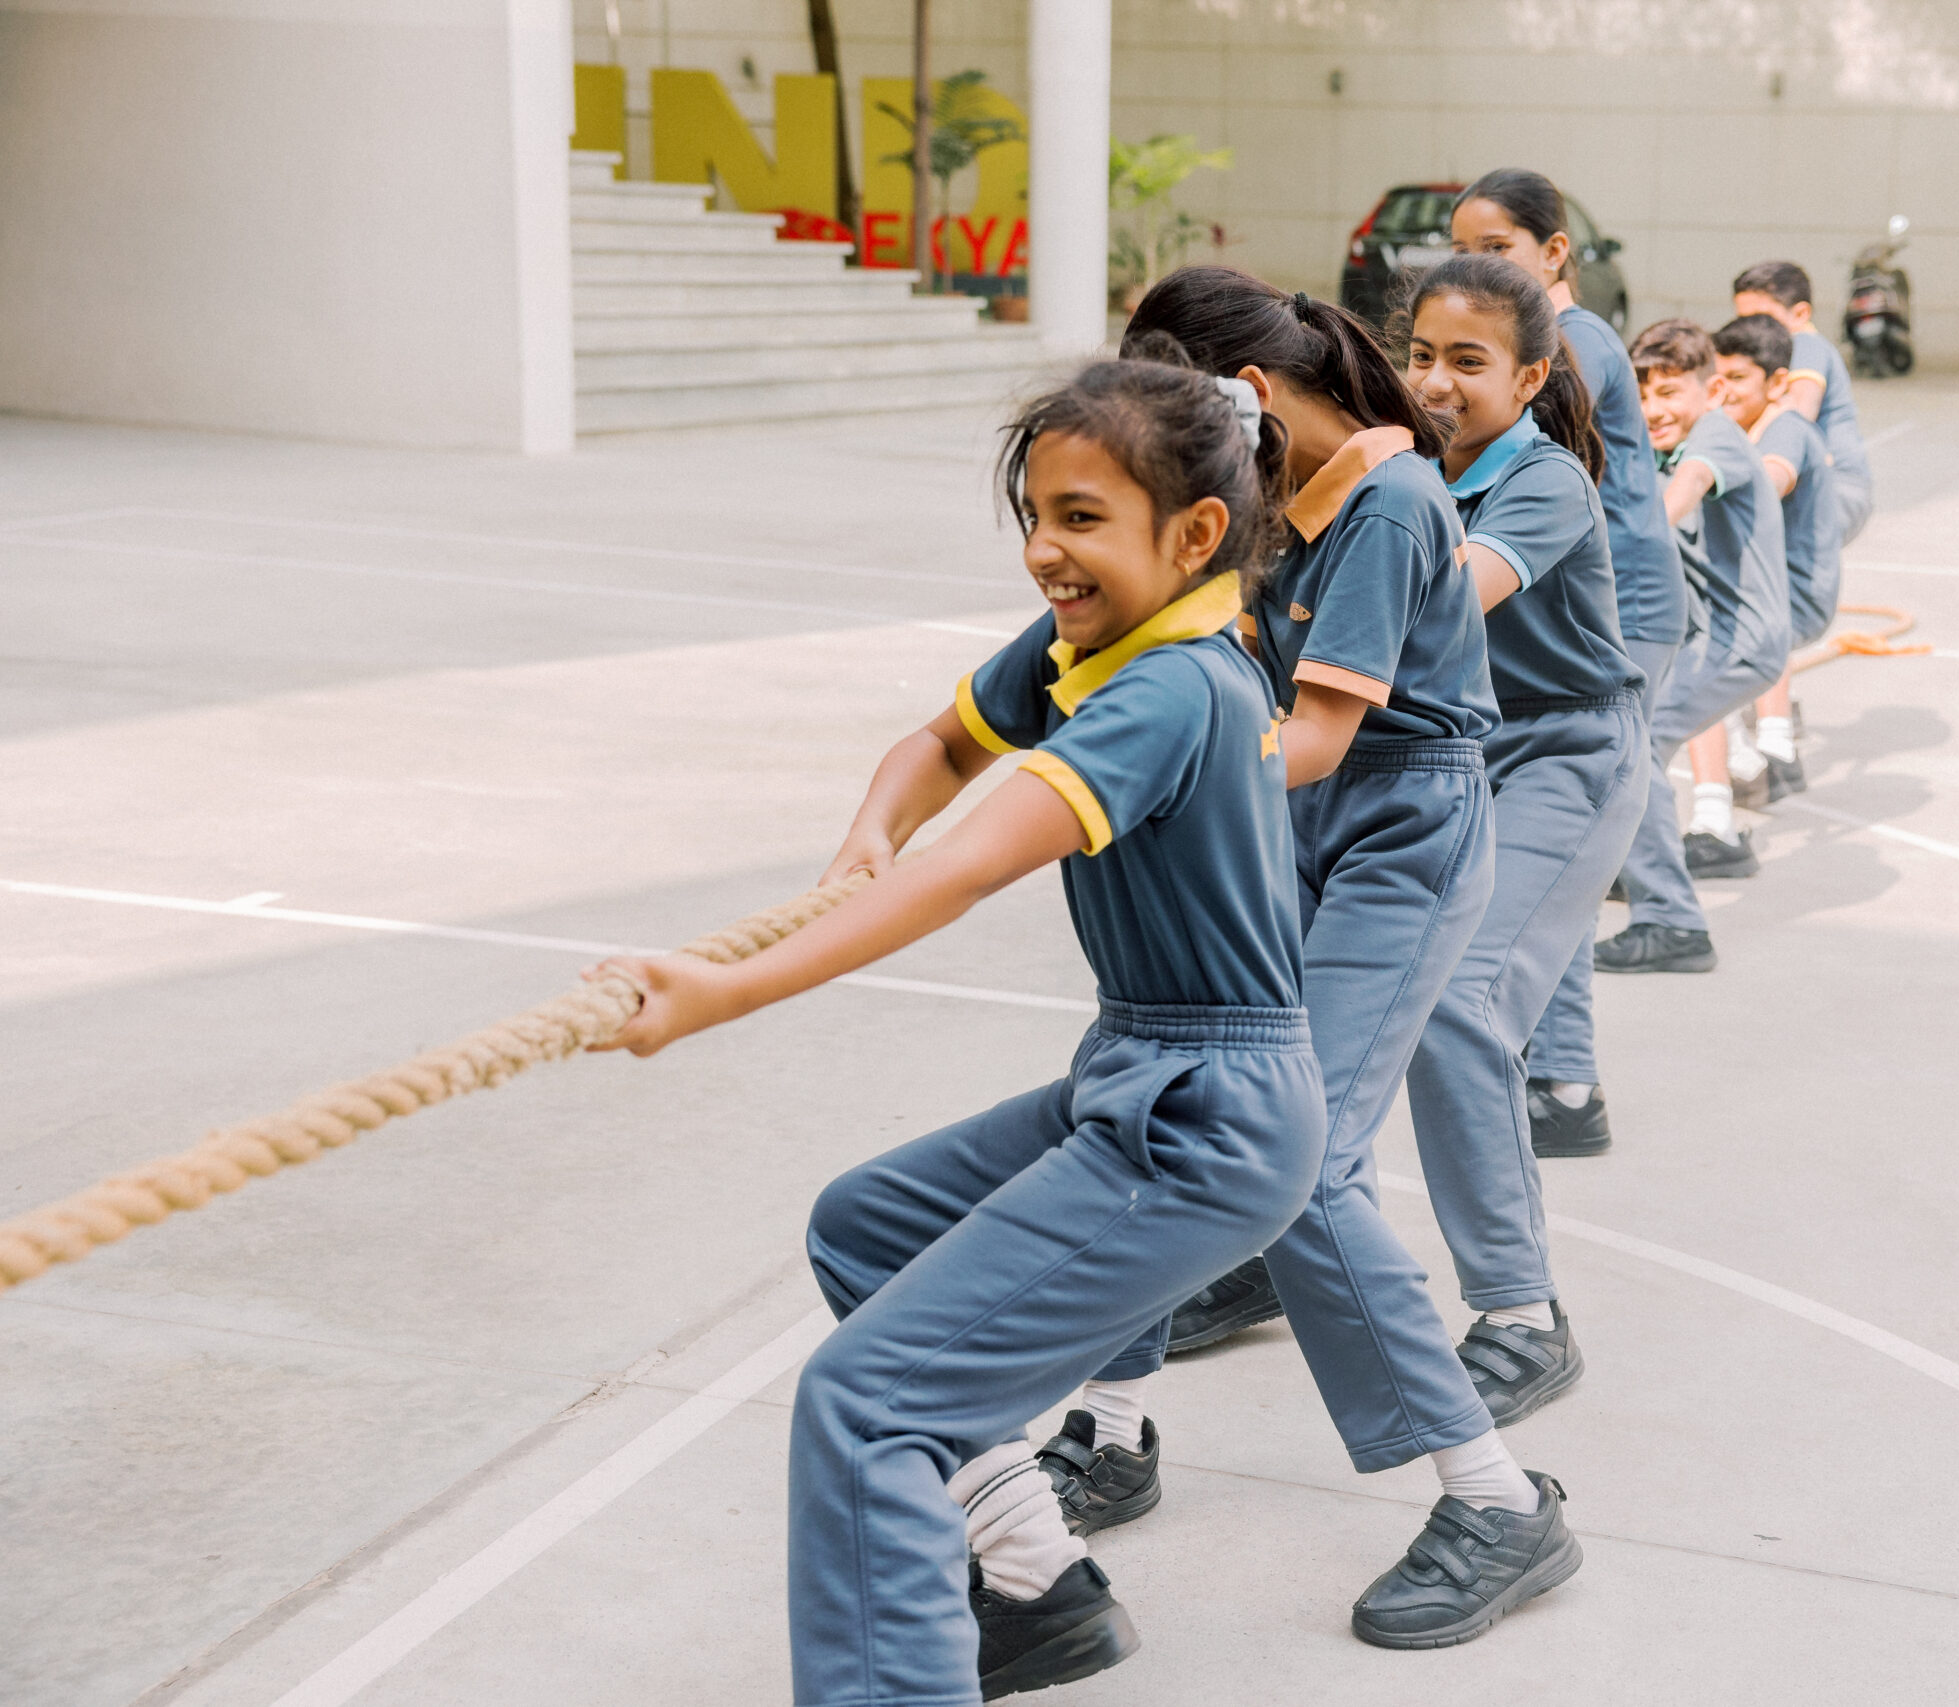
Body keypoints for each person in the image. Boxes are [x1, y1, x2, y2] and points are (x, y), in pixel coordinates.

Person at [586, 358, 1325, 1703]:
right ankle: (1038, 1581)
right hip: (1144, 1071)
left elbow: (970, 865)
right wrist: (870, 833)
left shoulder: (1173, 689)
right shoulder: (1092, 643)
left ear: (1196, 534)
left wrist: (718, 991)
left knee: (868, 1405)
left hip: (1208, 1116)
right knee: (866, 1224)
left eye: (1082, 517)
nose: (1045, 548)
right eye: (1035, 513)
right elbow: (937, 750)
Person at [1035, 266, 1580, 1652]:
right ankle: (1111, 1427)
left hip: (1402, 831)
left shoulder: (1389, 501)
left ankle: (1497, 1499)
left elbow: (1323, 737)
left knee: (1306, 1156)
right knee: (1165, 1099)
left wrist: (1146, 775)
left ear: (1247, 396)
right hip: (1294, 819)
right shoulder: (1260, 493)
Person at [1399, 253, 1647, 1422]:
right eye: (1419, 355)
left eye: (1467, 360)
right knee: (1299, 991)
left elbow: (1445, 594)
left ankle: (1520, 1314)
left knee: (1458, 1005)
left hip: (1564, 756)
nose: (1434, 380)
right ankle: (1263, 1243)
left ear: (1530, 376)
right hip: (1451, 754)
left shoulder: (1544, 481)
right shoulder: (1412, 468)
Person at [1444, 168, 1683, 1161]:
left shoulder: (1570, 344)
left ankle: (1568, 1071)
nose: (1474, 268)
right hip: (1563, 625)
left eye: (1495, 249)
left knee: (1568, 850)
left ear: (1553, 253)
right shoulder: (1525, 348)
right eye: (1460, 251)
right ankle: (1564, 1078)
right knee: (1553, 872)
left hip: (1617, 619)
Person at [1588, 318, 1793, 982]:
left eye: (1670, 391)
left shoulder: (1716, 438)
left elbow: (1675, 501)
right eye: (1643, 394)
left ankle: (1673, 919)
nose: (1654, 409)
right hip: (1708, 638)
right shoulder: (1667, 444)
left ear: (1713, 391)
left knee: (1638, 745)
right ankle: (1641, 867)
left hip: (1742, 642)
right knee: (1633, 743)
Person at [1713, 312, 1841, 800]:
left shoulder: (1785, 428)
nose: (1724, 391)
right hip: (1775, 590)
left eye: (1737, 378)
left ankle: (1743, 765)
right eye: (1717, 378)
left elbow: (1773, 479)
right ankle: (1772, 750)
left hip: (1794, 596)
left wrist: (1701, 481)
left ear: (1777, 382)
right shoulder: (1748, 425)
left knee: (1697, 643)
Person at [1733, 259, 1874, 546]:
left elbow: (1798, 411)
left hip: (1835, 488)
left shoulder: (1805, 344)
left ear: (1800, 314)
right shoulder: (1767, 351)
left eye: (1762, 320)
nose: (1752, 331)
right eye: (1743, 321)